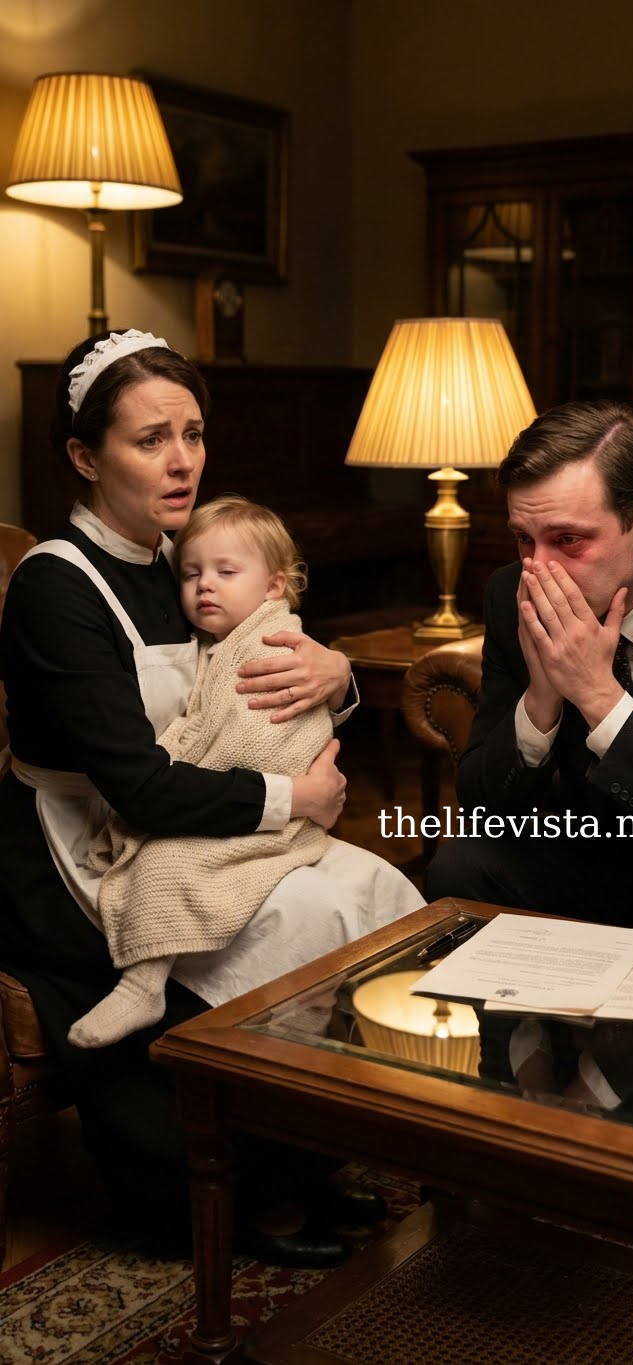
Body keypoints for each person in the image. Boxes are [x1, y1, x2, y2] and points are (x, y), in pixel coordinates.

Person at [0, 328, 424, 1264]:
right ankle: (237, 1185)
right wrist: (293, 798)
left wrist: (337, 672)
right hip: (78, 845)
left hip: (189, 822)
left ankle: (306, 1151)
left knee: (373, 896)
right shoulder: (55, 587)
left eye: (192, 433)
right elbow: (139, 786)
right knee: (298, 918)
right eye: (151, 439)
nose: (183, 459)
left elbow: (269, 651)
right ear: (84, 456)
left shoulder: (186, 560)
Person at [426, 400, 633, 1111]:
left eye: (568, 540)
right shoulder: (510, 594)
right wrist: (542, 701)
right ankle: (512, 1092)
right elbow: (482, 797)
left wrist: (598, 694)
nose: (538, 570)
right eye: (524, 539)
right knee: (461, 861)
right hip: (593, 845)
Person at [68, 495, 338, 1049]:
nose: (204, 586)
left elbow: (253, 736)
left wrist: (338, 670)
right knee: (164, 854)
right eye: (191, 575)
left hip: (263, 796)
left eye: (225, 573)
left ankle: (145, 985)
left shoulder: (268, 641)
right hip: (214, 794)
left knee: (166, 861)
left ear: (274, 587)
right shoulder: (71, 582)